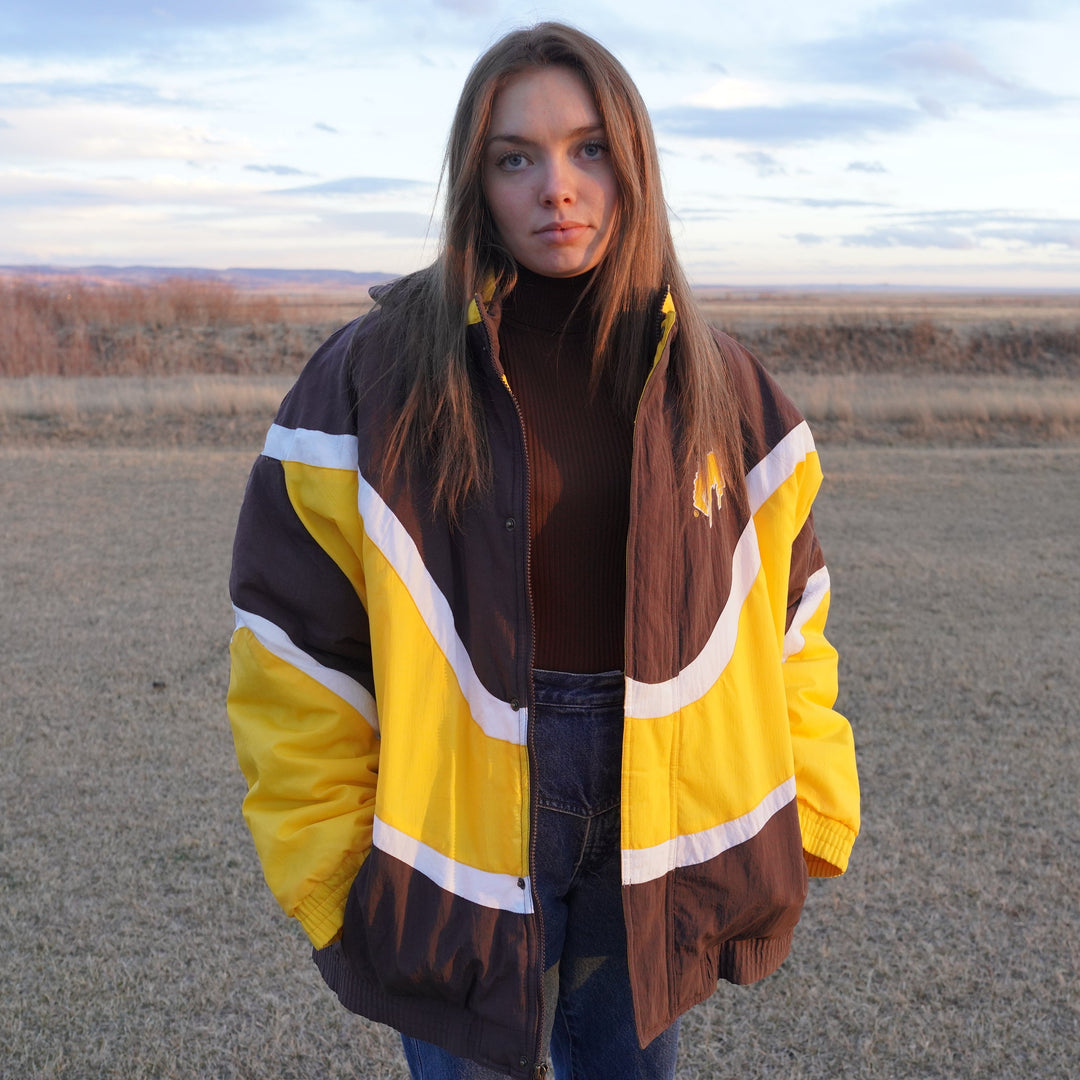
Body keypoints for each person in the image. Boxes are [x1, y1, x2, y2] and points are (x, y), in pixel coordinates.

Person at [227, 21, 859, 1080]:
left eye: (587, 149)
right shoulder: (368, 380)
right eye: (515, 157)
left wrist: (815, 810)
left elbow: (793, 624)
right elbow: (292, 644)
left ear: (634, 164)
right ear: (476, 182)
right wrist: (333, 870)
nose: (554, 188)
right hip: (455, 829)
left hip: (649, 820)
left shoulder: (725, 388)